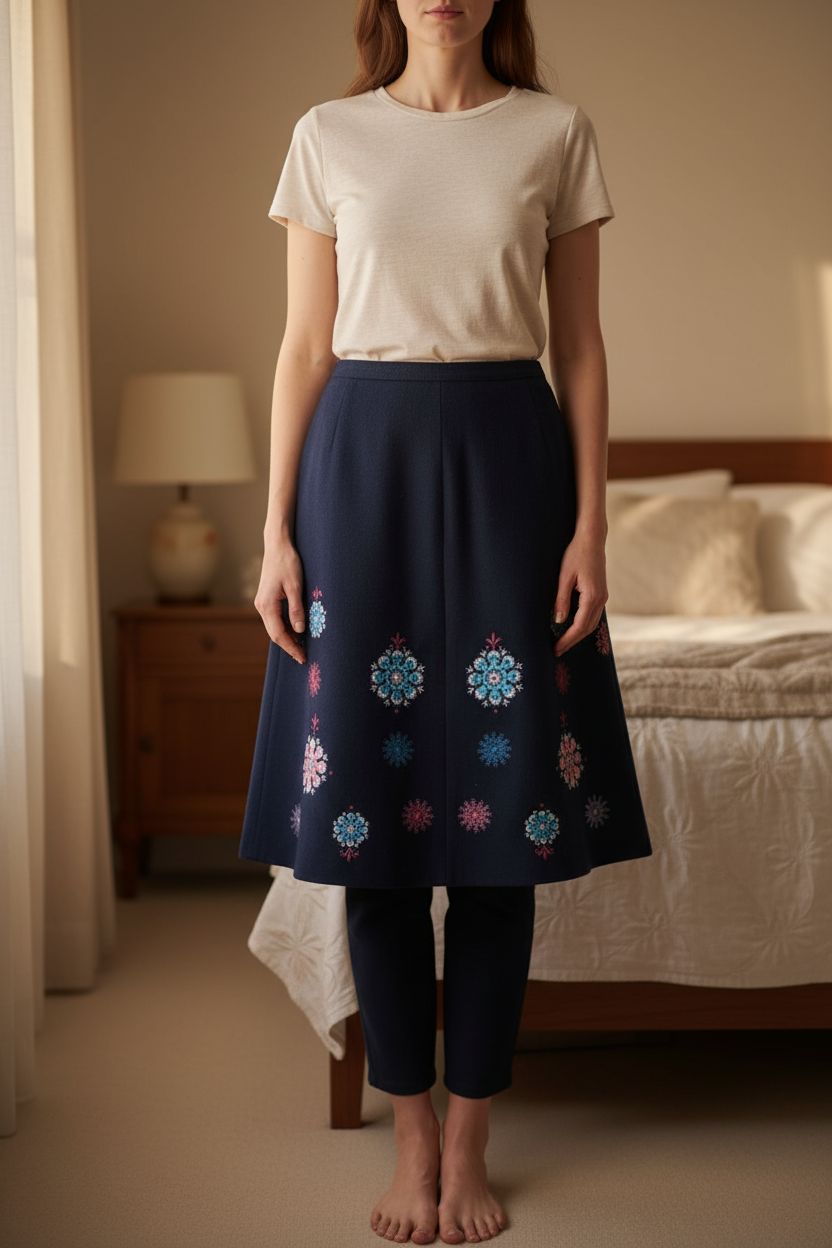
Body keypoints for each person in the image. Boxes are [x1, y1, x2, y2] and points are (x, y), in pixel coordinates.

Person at [239, 1, 653, 1243]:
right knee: (369, 833)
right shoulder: (326, 134)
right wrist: (273, 534)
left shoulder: (553, 132)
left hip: (507, 470)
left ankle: (470, 1143)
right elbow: (303, 345)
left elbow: (576, 345)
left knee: (498, 832)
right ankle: (408, 1135)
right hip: (353, 476)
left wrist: (589, 528)